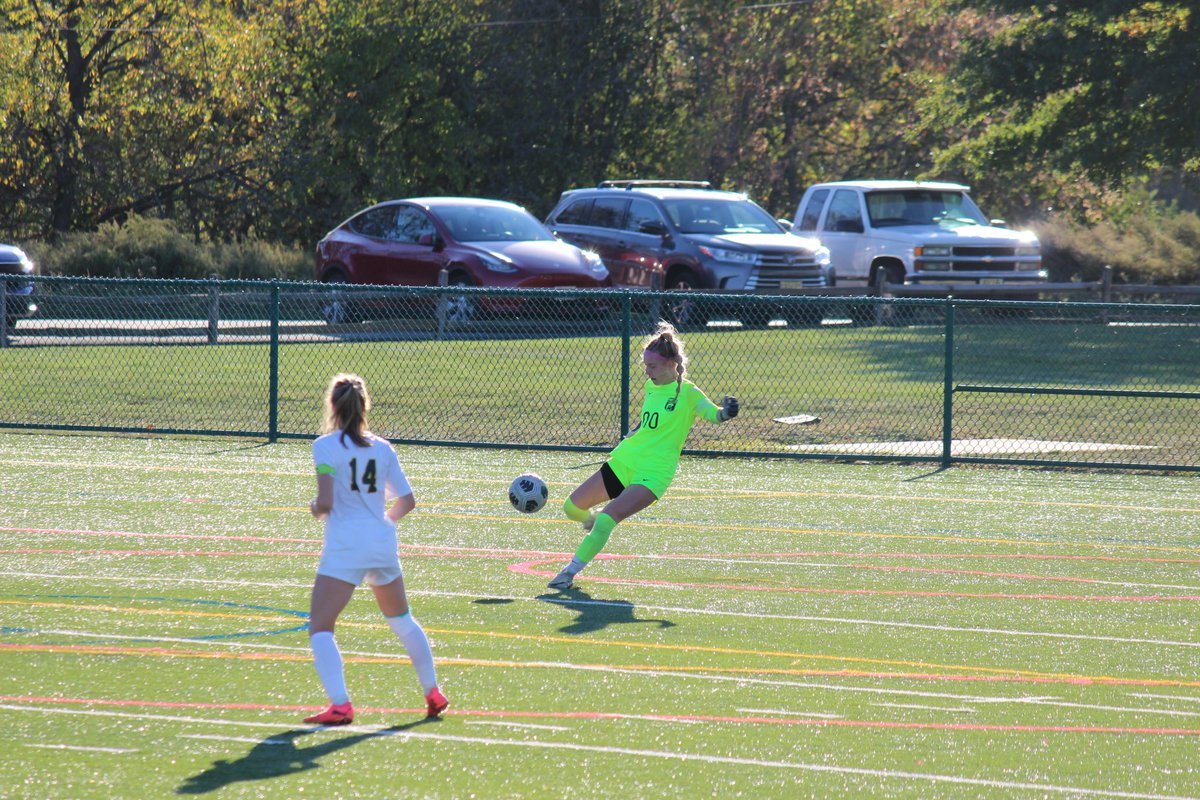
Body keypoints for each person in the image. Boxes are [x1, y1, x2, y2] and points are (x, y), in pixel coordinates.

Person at [547, 321, 739, 590]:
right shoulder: (652, 387)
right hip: (627, 460)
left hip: (653, 472)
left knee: (606, 520)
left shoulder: (688, 393)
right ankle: (590, 523)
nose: (648, 372)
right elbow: (649, 421)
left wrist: (726, 413)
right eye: (646, 366)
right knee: (572, 508)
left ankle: (568, 573)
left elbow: (713, 414)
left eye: (653, 366)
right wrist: (635, 430)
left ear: (672, 364)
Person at [303, 373, 448, 725]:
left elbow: (325, 501)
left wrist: (315, 508)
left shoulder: (325, 446)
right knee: (402, 621)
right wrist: (381, 523)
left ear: (333, 407)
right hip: (382, 542)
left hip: (346, 545)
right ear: (365, 406)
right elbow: (407, 501)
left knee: (320, 626)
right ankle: (433, 691)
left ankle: (340, 704)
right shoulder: (382, 448)